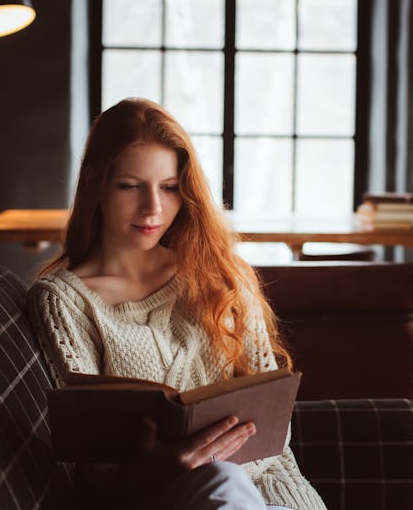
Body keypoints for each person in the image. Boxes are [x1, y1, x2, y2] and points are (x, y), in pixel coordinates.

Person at [27, 97, 326, 510]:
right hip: (157, 498)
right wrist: (166, 468)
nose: (153, 208)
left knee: (226, 478)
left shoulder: (223, 276)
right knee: (220, 479)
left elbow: (274, 428)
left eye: (169, 188)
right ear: (96, 185)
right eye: (130, 186)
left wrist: (219, 457)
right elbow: (93, 470)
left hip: (274, 494)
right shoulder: (64, 302)